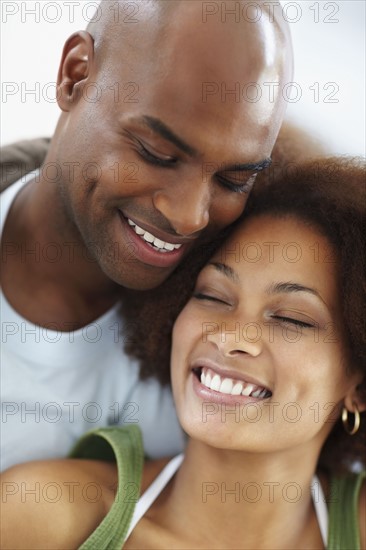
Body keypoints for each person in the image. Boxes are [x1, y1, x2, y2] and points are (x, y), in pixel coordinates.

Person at [1, 157, 365, 549]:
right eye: (211, 296)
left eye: (292, 319)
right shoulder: (40, 513)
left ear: (359, 389)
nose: (229, 337)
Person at [0, 0, 294, 470]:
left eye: (234, 180)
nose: (189, 217)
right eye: (157, 153)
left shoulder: (223, 356)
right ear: (75, 75)